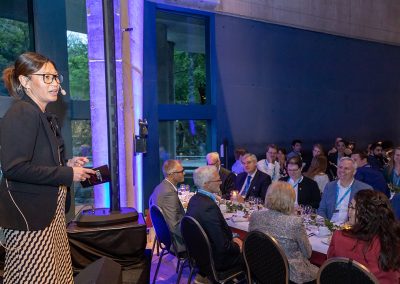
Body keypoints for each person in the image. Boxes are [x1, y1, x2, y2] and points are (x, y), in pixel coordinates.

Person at [0, 52, 95, 283]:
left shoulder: (40, 115)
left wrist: (67, 165)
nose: (55, 83)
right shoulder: (22, 112)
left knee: (56, 277)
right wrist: (67, 173)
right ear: (25, 81)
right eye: (47, 77)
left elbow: (38, 164)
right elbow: (14, 168)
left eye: (56, 77)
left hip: (47, 217)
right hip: (31, 221)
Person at [249, 181, 318, 284]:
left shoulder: (255, 216)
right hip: (289, 275)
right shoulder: (294, 222)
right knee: (322, 273)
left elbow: (253, 242)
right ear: (290, 200)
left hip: (260, 269)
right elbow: (308, 253)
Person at [327, 190, 400, 284]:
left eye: (353, 208)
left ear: (366, 214)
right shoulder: (391, 242)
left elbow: (330, 269)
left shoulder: (339, 237)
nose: (349, 211)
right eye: (349, 206)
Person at [186, 166, 243, 273]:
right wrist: (237, 246)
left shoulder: (194, 199)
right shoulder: (208, 206)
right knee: (253, 254)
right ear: (206, 184)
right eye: (218, 180)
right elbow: (223, 246)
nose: (221, 182)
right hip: (216, 261)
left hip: (201, 255)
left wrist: (232, 238)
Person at [318, 157, 372, 223]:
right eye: (340, 167)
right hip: (329, 226)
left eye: (346, 168)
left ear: (354, 172)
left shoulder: (364, 189)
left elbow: (367, 215)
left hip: (352, 229)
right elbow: (321, 209)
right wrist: (326, 224)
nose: (342, 171)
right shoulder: (329, 186)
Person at [149, 159, 186, 252]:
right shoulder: (169, 193)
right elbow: (175, 225)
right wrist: (192, 234)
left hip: (165, 237)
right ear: (172, 174)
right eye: (181, 171)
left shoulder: (161, 186)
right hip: (176, 243)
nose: (184, 173)